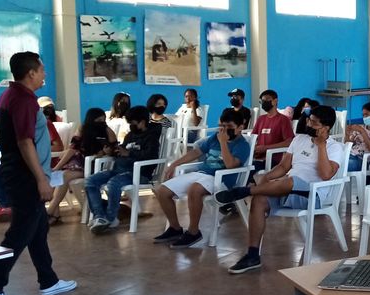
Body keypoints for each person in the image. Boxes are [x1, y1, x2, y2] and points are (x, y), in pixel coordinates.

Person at [0, 52, 76, 295]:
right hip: (25, 176)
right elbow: (24, 142)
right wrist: (41, 179)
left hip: (22, 173)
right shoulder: (22, 100)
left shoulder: (14, 95)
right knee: (20, 232)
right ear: (31, 73)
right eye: (42, 70)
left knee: (38, 228)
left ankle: (48, 280)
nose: (45, 74)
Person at [214, 105, 345, 273]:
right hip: (288, 188)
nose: (308, 124)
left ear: (326, 127)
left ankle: (244, 191)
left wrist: (321, 146)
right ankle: (253, 255)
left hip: (314, 195)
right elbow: (283, 166)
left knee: (290, 181)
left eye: (314, 123)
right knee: (259, 200)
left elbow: (326, 175)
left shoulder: (334, 147)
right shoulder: (299, 139)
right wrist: (267, 177)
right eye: (309, 120)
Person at [153, 108, 251, 249]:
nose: (224, 130)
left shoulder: (242, 145)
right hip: (202, 173)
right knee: (162, 190)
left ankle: (193, 232)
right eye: (222, 126)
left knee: (195, 189)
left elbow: (230, 165)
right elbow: (197, 152)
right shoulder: (215, 137)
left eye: (229, 127)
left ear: (240, 127)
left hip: (221, 179)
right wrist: (174, 164)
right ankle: (175, 228)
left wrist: (223, 143)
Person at [86, 106, 161, 234]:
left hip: (138, 173)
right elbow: (122, 150)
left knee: (113, 183)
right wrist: (113, 152)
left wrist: (129, 153)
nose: (130, 125)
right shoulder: (130, 135)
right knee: (91, 181)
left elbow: (151, 156)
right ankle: (99, 216)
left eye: (133, 123)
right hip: (118, 171)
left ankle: (110, 218)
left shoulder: (151, 138)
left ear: (142, 122)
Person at [46, 108, 116, 225]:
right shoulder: (83, 129)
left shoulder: (107, 131)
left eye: (103, 120)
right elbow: (72, 149)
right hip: (79, 163)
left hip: (95, 166)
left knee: (64, 176)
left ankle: (49, 212)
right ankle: (55, 214)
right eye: (98, 120)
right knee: (56, 176)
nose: (101, 123)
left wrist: (105, 152)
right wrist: (57, 167)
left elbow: (114, 150)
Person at [250, 89, 294, 171]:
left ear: (275, 101)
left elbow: (289, 142)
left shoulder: (283, 120)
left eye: (266, 100)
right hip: (256, 157)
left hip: (272, 159)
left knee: (248, 170)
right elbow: (253, 138)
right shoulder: (261, 119)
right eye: (262, 101)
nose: (264, 103)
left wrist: (265, 148)